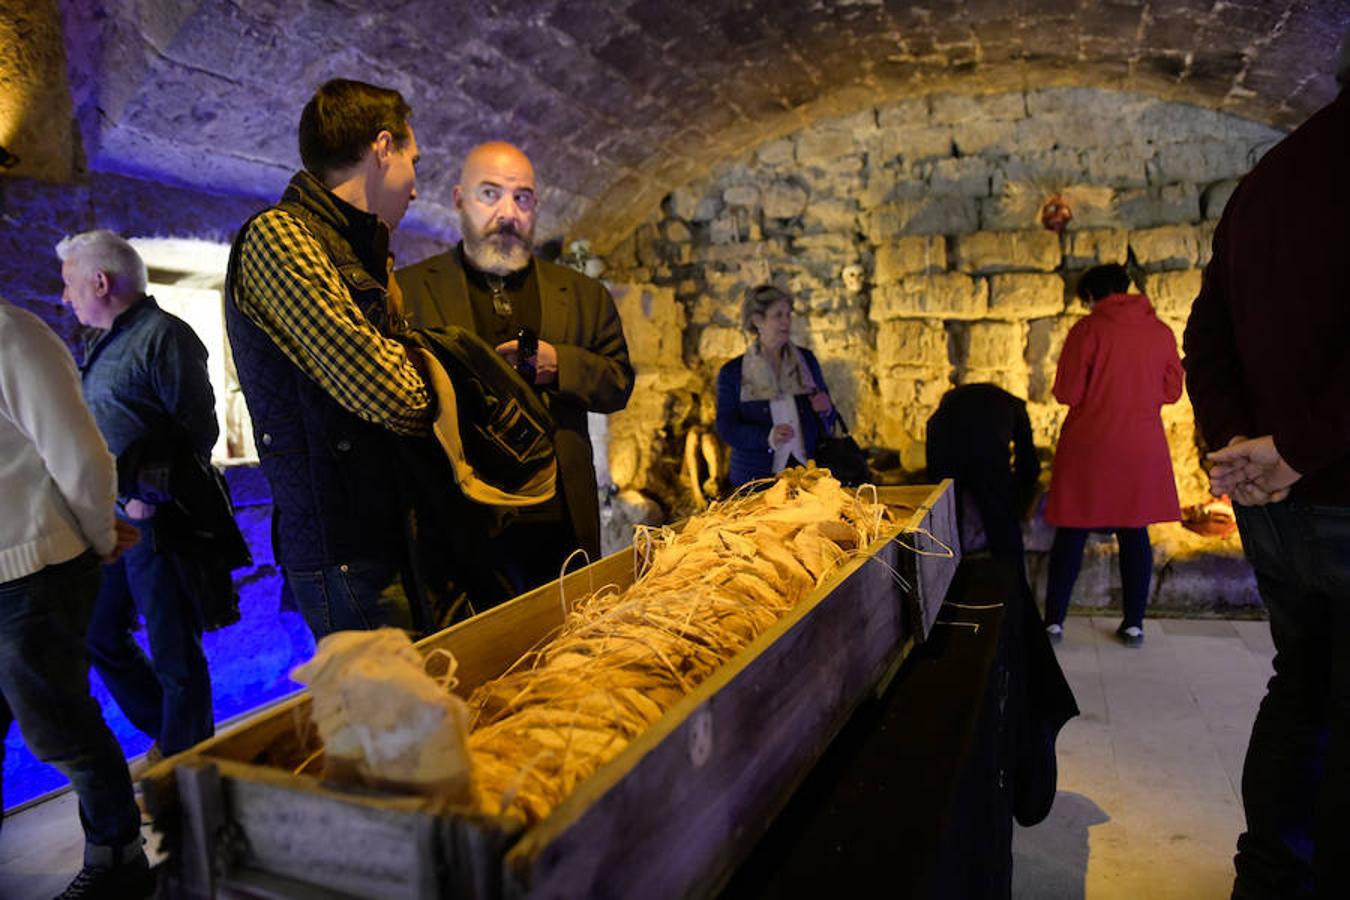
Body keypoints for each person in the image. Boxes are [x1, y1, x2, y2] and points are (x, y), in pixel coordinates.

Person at [1182, 33, 1350, 899]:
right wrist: (1293, 450)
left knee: (1302, 689)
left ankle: (1270, 879)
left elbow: (1204, 333)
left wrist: (1242, 451)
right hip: (1336, 488)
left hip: (1277, 502)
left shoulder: (1270, 178)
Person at [225, 79, 435, 639]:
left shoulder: (356, 251)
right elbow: (398, 397)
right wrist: (442, 374)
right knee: (390, 722)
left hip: (380, 533)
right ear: (383, 147)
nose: (415, 189)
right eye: (414, 161)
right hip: (346, 549)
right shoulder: (280, 238)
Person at [398, 141, 634, 595]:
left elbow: (618, 383)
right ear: (459, 199)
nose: (508, 213)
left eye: (521, 198)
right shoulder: (410, 291)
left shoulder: (583, 294)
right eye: (490, 194)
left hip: (558, 519)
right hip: (462, 520)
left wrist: (560, 364)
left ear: (535, 207)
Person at [0, 296, 152, 898]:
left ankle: (119, 859)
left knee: (60, 729)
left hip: (31, 568)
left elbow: (81, 455)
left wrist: (93, 536)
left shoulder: (12, 333)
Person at [57, 229, 218, 757]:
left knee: (174, 650)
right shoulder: (106, 342)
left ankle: (188, 765)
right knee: (101, 634)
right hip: (116, 520)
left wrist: (148, 494)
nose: (66, 297)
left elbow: (196, 429)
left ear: (100, 282)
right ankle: (173, 738)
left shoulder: (164, 335)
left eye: (70, 285)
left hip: (155, 520)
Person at [1042, 263, 1182, 646]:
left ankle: (1054, 623)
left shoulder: (1086, 331)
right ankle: (1134, 624)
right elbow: (1172, 392)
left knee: (1072, 531)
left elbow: (1068, 393)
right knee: (1135, 532)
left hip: (1090, 445)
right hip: (1141, 446)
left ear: (1090, 297)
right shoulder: (1161, 332)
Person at [715, 284, 835, 488]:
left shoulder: (805, 361)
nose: (786, 322)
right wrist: (766, 436)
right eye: (778, 315)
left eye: (788, 315)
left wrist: (826, 409)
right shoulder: (733, 373)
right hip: (756, 478)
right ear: (757, 320)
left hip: (807, 473)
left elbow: (828, 418)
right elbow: (726, 428)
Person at [925, 382, 1040, 562]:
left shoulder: (963, 397)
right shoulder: (1015, 407)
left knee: (945, 517)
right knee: (1002, 519)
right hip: (984, 447)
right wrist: (1021, 490)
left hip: (943, 439)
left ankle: (949, 580)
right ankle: (1011, 581)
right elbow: (1028, 461)